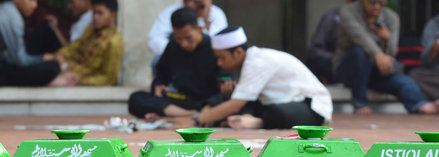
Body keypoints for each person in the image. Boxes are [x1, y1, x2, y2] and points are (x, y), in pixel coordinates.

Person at [197, 27, 333, 130]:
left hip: (311, 106)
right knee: (231, 102)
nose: (219, 63)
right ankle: (249, 120)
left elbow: (236, 104)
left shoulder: (257, 61)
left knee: (277, 113)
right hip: (276, 103)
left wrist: (198, 119)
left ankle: (257, 122)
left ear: (238, 52)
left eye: (222, 57)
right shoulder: (250, 61)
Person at [333, 0, 439, 115]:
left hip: (377, 71)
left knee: (402, 81)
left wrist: (387, 39)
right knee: (359, 53)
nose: (377, 7)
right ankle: (360, 104)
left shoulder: (392, 17)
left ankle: (421, 104)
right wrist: (377, 54)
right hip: (350, 70)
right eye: (372, 2)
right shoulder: (348, 12)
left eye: (381, 3)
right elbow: (360, 37)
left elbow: (392, 53)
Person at [129, 8, 232, 122]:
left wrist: (224, 87)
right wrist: (159, 84)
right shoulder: (173, 46)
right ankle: (189, 115)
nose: (184, 43)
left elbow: (225, 84)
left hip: (207, 102)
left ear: (199, 29)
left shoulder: (215, 48)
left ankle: (173, 118)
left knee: (228, 103)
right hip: (182, 101)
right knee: (136, 99)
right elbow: (162, 73)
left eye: (188, 38)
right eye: (178, 38)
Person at [0, 0, 75, 86]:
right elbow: (21, 60)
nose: (35, 5)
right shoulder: (11, 17)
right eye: (31, 1)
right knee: (53, 67)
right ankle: (49, 79)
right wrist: (46, 57)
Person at [55, 0, 123, 86]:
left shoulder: (114, 41)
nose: (95, 17)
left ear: (114, 14)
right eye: (93, 13)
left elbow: (108, 79)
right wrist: (61, 56)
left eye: (100, 13)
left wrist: (79, 80)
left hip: (77, 81)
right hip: (65, 68)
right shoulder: (89, 31)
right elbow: (72, 48)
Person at [148, 0, 228, 58]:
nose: (191, 2)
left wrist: (206, 19)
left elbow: (221, 44)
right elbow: (154, 40)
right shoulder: (169, 12)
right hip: (176, 58)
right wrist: (179, 50)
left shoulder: (216, 14)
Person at [306, 0, 354, 84]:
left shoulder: (375, 19)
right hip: (332, 62)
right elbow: (314, 49)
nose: (376, 6)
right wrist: (337, 58)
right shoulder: (333, 17)